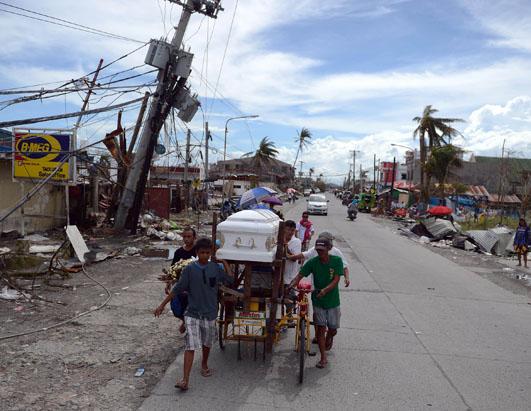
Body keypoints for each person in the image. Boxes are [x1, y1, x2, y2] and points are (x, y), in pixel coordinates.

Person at [154, 238, 233, 391]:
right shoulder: (189, 269)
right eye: (202, 253)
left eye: (207, 253)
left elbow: (229, 279)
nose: (205, 256)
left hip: (210, 313)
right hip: (192, 313)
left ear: (211, 253)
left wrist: (224, 263)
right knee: (190, 346)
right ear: (197, 253)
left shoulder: (215, 269)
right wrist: (162, 305)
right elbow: (177, 289)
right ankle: (185, 380)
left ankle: (204, 364)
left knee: (207, 343)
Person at [289, 238, 343, 369]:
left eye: (322, 250)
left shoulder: (336, 261)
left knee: (333, 329)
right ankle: (323, 358)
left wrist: (325, 290)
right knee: (320, 329)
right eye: (318, 250)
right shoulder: (313, 262)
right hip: (317, 299)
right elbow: (300, 275)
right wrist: (290, 285)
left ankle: (329, 337)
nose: (320, 253)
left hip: (333, 300)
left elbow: (336, 280)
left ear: (329, 249)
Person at [167, 227, 197, 334]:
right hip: (181, 284)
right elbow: (172, 269)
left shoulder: (199, 251)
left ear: (194, 238)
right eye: (184, 237)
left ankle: (189, 323)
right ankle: (184, 320)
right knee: (176, 306)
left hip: (196, 284)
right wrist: (168, 283)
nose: (186, 239)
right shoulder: (179, 252)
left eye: (189, 237)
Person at [283, 220, 302, 322]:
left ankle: (289, 317)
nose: (290, 232)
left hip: (290, 276)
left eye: (292, 230)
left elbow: (294, 258)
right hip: (279, 275)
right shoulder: (278, 239)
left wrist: (286, 246)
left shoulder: (296, 242)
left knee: (288, 299)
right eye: (288, 229)